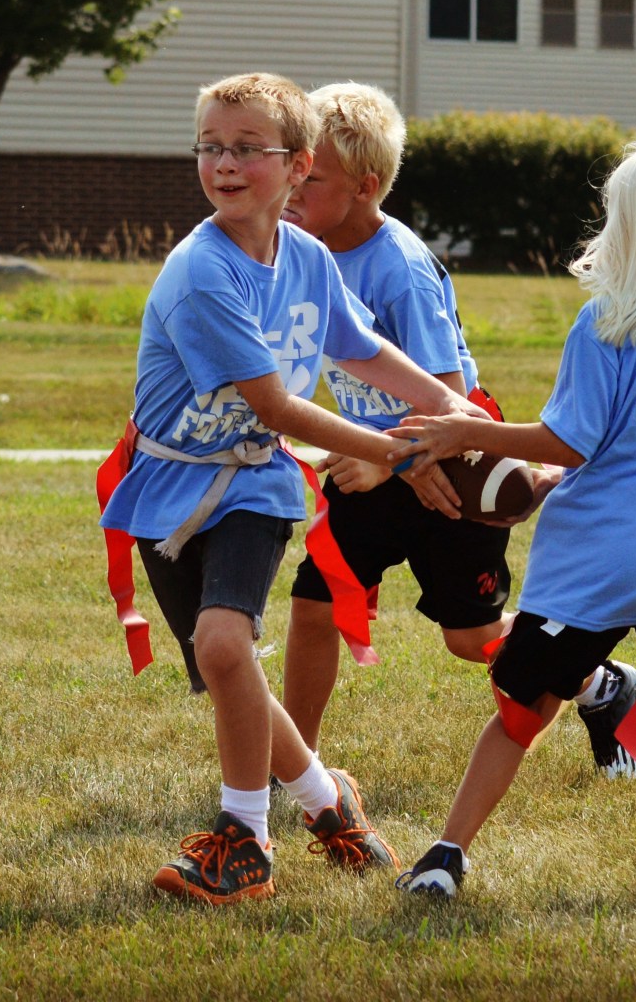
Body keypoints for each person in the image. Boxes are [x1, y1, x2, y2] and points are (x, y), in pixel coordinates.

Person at [98, 72, 488, 905]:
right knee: (229, 666)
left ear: (297, 165)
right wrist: (404, 452)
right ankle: (325, 798)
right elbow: (277, 404)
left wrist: (453, 410)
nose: (224, 164)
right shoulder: (203, 270)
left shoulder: (307, 256)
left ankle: (243, 842)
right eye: (210, 146)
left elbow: (363, 349)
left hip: (253, 482)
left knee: (223, 647)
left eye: (248, 149)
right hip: (167, 486)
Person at [388, 132, 636, 901]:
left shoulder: (606, 322)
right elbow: (635, 447)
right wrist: (550, 478)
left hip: (601, 563)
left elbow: (569, 437)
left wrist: (465, 432)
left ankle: (445, 858)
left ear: (628, 223)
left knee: (522, 709)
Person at [279, 81, 636, 781]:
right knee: (315, 604)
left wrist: (390, 460)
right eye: (290, 169)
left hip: (456, 456)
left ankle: (601, 685)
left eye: (310, 177)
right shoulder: (301, 251)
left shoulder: (400, 268)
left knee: (470, 638)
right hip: (375, 456)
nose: (292, 188)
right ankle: (294, 766)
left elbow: (448, 402)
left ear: (365, 186)